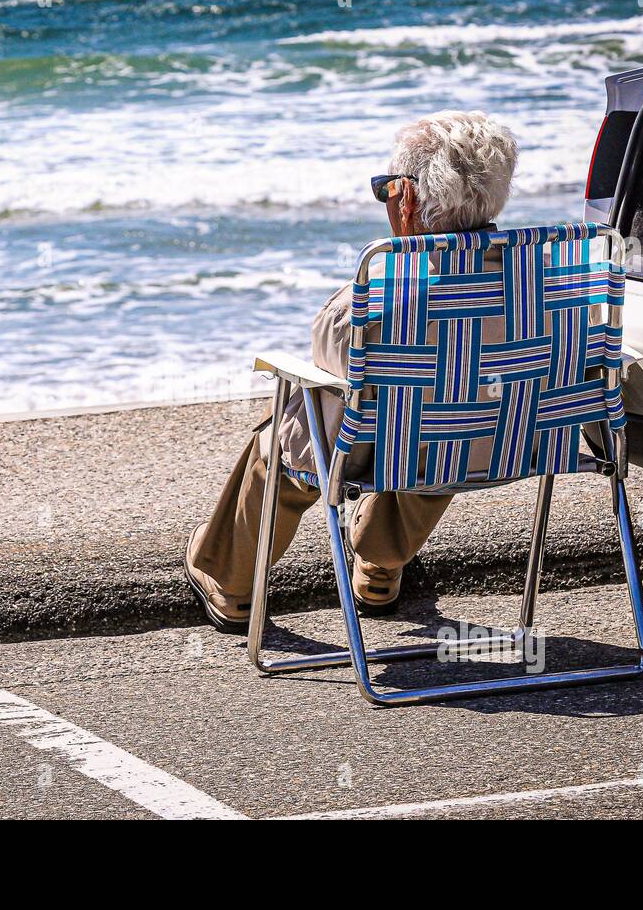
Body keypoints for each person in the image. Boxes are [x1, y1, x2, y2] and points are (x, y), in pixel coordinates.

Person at [185, 110, 520, 631]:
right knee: (454, 416)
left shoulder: (368, 302)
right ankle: (382, 562)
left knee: (294, 429)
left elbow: (332, 364)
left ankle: (231, 582)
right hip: (497, 448)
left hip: (372, 453)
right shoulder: (547, 290)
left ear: (406, 199)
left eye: (385, 189)